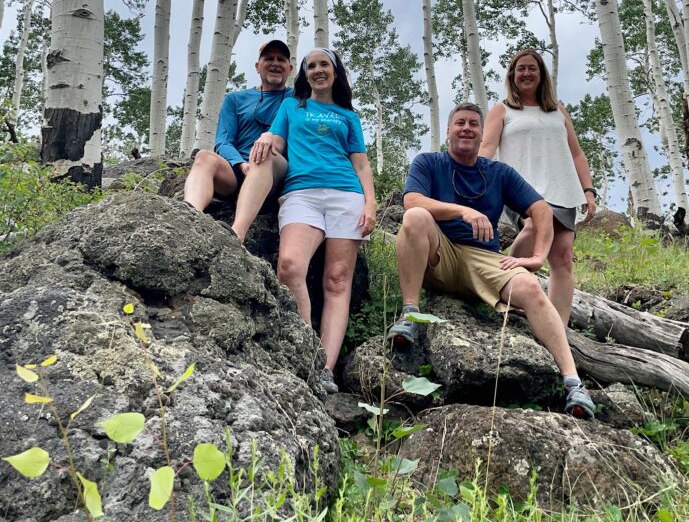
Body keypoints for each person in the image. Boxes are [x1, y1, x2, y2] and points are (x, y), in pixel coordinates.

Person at [387, 102, 594, 419]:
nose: (466, 128)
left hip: (485, 260)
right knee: (415, 217)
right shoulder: (428, 163)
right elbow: (411, 201)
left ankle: (573, 383)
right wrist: (462, 211)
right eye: (460, 123)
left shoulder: (498, 173)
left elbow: (540, 210)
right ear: (448, 130)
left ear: (482, 133)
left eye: (473, 123)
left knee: (530, 287)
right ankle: (410, 315)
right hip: (439, 253)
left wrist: (538, 256)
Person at [250, 48, 376, 395]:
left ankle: (324, 369)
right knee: (289, 266)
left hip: (346, 196)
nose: (318, 70)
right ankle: (305, 349)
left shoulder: (349, 116)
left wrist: (370, 203)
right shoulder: (291, 106)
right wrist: (263, 138)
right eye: (311, 66)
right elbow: (276, 141)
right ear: (303, 74)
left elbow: (361, 165)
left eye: (324, 65)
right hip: (301, 193)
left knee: (336, 282)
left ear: (336, 72)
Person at [479, 49, 596, 326]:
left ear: (542, 74)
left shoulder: (558, 110)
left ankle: (558, 327)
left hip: (562, 188)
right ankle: (501, 282)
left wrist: (588, 190)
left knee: (563, 257)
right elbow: (486, 148)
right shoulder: (502, 110)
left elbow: (577, 153)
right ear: (512, 75)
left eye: (532, 68)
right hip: (521, 187)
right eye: (521, 69)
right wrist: (473, 182)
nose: (526, 73)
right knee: (532, 228)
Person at [183, 39, 293, 241]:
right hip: (238, 172)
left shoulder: (297, 99)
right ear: (257, 66)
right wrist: (241, 165)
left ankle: (237, 234)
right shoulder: (235, 100)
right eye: (268, 58)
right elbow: (223, 141)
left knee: (264, 153)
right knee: (204, 156)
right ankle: (189, 218)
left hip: (275, 173)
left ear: (290, 68)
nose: (275, 63)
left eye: (281, 59)